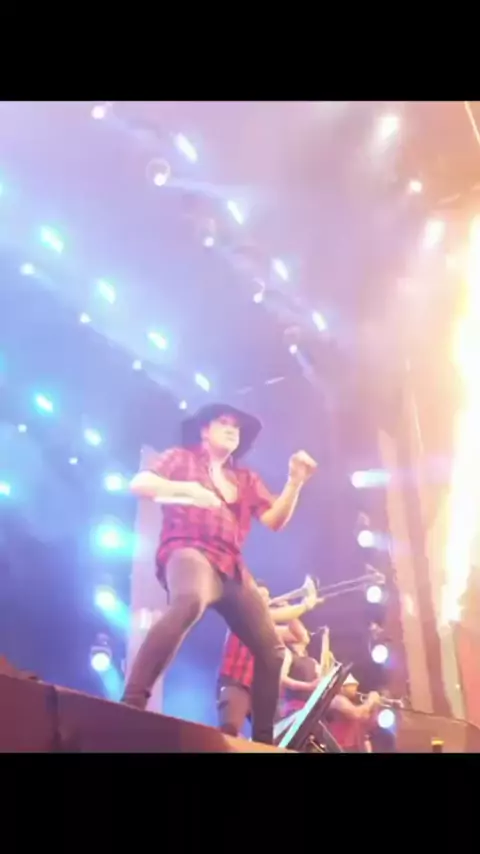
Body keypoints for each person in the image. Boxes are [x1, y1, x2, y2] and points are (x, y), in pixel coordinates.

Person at [122, 402, 317, 744]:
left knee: (272, 650)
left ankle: (264, 742)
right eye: (223, 422)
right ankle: (131, 703)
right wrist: (188, 491)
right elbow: (139, 484)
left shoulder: (244, 478)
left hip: (232, 568)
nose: (231, 429)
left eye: (236, 427)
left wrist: (294, 483)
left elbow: (274, 520)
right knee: (189, 601)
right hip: (189, 550)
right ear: (204, 430)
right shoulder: (181, 458)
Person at [217, 579, 318, 737]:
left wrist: (288, 610)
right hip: (235, 684)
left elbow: (300, 636)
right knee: (230, 731)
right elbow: (268, 616)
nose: (266, 600)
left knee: (275, 736)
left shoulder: (265, 627)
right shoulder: (244, 613)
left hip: (257, 689)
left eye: (267, 597)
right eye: (261, 596)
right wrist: (304, 606)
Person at [325, 674, 381, 752]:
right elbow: (356, 714)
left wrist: (375, 707)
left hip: (355, 747)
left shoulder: (355, 703)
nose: (356, 687)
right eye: (351, 685)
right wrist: (370, 701)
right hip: (340, 747)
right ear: (342, 687)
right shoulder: (336, 699)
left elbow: (370, 724)